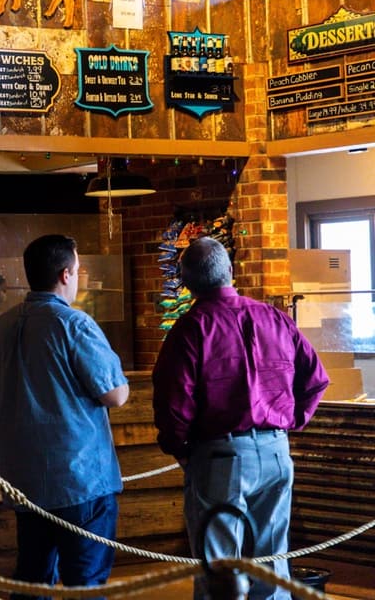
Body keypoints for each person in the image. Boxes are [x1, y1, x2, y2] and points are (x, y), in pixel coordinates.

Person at [152, 237, 329, 600]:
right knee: (272, 563)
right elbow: (316, 379)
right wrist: (288, 423)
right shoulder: (275, 318)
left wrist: (180, 450)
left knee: (219, 570)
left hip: (219, 456)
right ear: (230, 271)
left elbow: (173, 404)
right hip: (276, 451)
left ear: (186, 283)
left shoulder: (189, 329)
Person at [0, 234, 129, 600]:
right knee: (85, 584)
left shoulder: (2, 326)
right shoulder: (75, 324)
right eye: (78, 270)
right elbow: (116, 395)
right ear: (66, 274)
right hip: (79, 477)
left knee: (32, 578)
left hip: (24, 478)